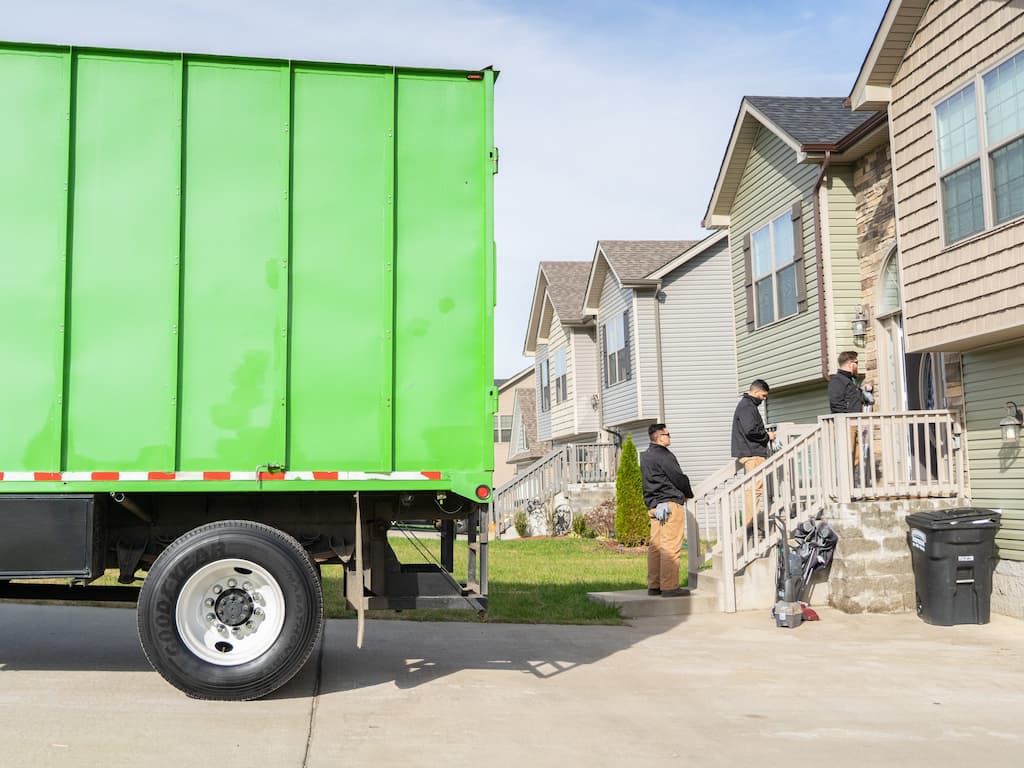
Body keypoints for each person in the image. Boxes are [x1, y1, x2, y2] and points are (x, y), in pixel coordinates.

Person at [639, 423, 694, 597]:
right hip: (670, 505)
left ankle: (654, 586)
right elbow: (678, 478)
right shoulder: (664, 455)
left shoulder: (646, 456)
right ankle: (670, 587)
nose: (670, 437)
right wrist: (687, 493)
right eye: (668, 434)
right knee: (670, 546)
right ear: (659, 436)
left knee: (655, 547)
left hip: (655, 507)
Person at [731, 379, 775, 530]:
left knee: (753, 489)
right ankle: (753, 523)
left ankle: (752, 521)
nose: (764, 399)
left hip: (750, 451)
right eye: (763, 396)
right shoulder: (747, 407)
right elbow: (751, 430)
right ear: (756, 392)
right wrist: (767, 436)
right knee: (754, 490)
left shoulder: (746, 405)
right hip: (752, 452)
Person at [829, 351, 875, 483]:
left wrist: (864, 390)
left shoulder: (850, 381)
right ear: (850, 364)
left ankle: (852, 487)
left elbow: (855, 399)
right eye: (856, 363)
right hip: (845, 424)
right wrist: (844, 421)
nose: (857, 365)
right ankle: (845, 487)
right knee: (847, 456)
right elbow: (836, 403)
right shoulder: (837, 381)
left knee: (856, 457)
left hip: (855, 423)